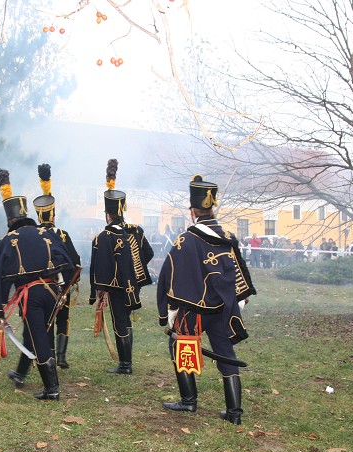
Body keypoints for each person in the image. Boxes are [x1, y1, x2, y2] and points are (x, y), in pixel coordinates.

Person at [156, 175, 256, 424]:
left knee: (180, 346)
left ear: (193, 211)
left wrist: (168, 313)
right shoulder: (229, 238)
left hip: (194, 310)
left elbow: (169, 278)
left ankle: (189, 402)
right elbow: (240, 274)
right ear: (212, 208)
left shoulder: (186, 241)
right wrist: (238, 302)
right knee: (226, 355)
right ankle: (234, 413)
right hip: (223, 309)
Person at [0, 169, 74, 400]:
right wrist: (62, 287)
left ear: (9, 219)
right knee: (35, 334)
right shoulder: (46, 232)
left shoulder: (6, 241)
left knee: (39, 338)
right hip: (52, 291)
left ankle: (52, 389)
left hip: (32, 295)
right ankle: (21, 374)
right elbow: (67, 260)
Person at [89, 159, 154, 375]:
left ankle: (125, 365)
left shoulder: (104, 237)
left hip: (117, 289)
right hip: (132, 286)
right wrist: (136, 272)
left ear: (108, 214)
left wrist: (100, 290)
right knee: (126, 322)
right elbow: (148, 253)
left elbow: (101, 269)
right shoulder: (137, 230)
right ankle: (127, 362)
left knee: (120, 324)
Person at [33, 163, 81, 369]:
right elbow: (75, 260)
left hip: (40, 285)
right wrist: (71, 281)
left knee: (45, 321)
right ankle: (61, 357)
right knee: (63, 318)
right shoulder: (62, 235)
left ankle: (50, 355)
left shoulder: (33, 236)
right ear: (52, 215)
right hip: (61, 286)